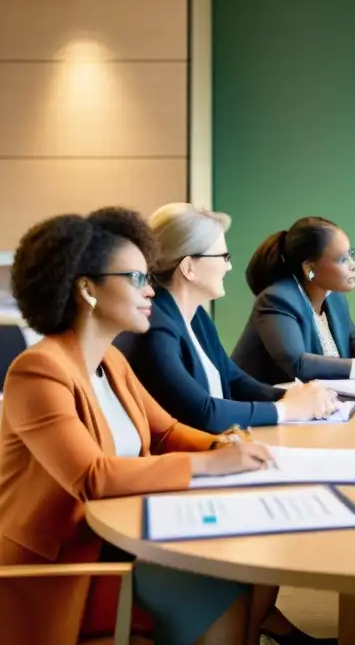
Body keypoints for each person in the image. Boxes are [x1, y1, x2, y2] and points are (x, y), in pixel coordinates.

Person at [0, 208, 285, 645]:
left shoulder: (111, 359)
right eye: (137, 278)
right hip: (65, 565)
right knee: (221, 582)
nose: (151, 289)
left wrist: (219, 445)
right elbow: (92, 477)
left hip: (122, 532)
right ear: (87, 289)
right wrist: (215, 466)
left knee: (250, 565)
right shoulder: (38, 370)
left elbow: (165, 431)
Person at [119, 203, 340, 433]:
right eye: (224, 256)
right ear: (188, 268)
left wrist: (292, 395)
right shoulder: (155, 328)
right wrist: (285, 409)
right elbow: (204, 413)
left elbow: (233, 379)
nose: (229, 266)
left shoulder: (196, 316)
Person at [232, 216, 355, 385]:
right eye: (343, 259)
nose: (354, 264)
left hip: (312, 403)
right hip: (259, 405)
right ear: (310, 269)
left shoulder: (335, 299)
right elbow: (297, 363)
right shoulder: (277, 300)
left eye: (351, 255)